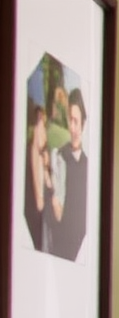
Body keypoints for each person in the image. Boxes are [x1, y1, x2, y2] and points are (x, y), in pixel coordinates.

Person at [51, 86, 88, 261]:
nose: (72, 128)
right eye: (70, 120)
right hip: (60, 248)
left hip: (80, 253)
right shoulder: (60, 156)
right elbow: (57, 209)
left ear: (83, 123)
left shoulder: (88, 164)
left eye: (76, 121)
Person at [24, 104, 56, 252]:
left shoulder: (46, 157)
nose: (42, 131)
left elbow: (50, 188)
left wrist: (45, 166)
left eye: (43, 125)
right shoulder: (27, 157)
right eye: (39, 125)